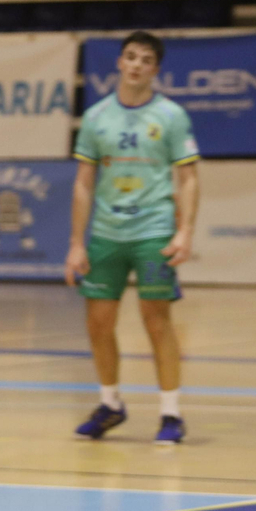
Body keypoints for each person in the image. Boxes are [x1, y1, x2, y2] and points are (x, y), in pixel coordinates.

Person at [64, 30, 200, 446]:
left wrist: (185, 230)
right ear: (120, 63)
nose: (137, 65)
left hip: (153, 231)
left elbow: (189, 177)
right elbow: (84, 182)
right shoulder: (96, 117)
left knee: (156, 321)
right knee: (98, 323)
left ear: (155, 69)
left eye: (145, 59)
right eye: (130, 57)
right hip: (107, 233)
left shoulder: (172, 116)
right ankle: (110, 404)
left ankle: (171, 413)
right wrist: (76, 242)